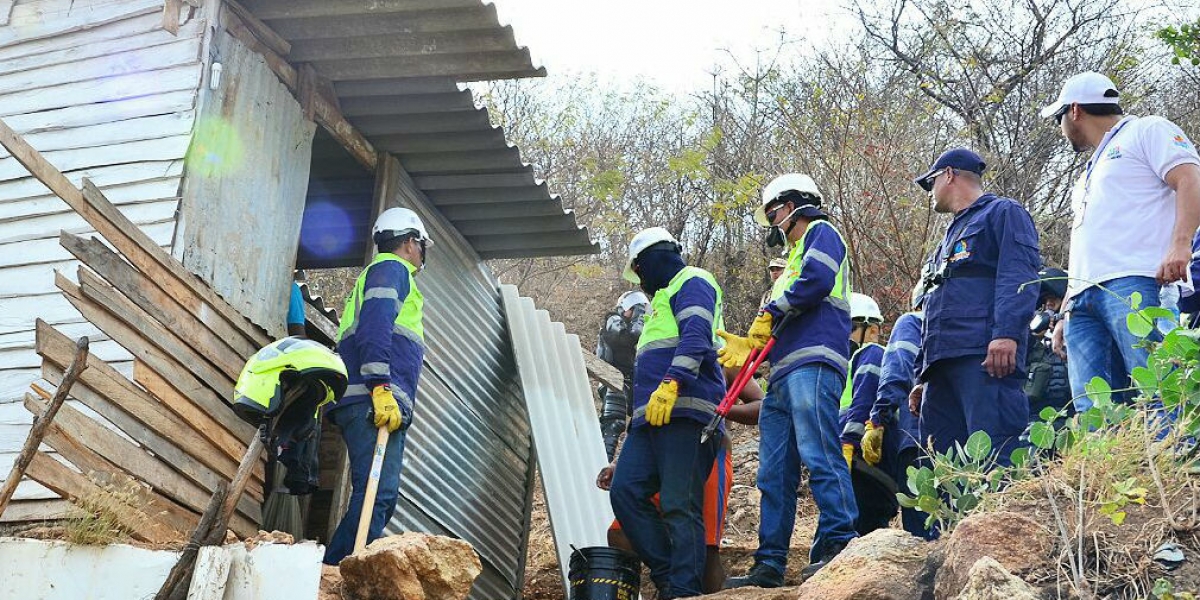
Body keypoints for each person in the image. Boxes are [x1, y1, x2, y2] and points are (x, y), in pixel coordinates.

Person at [721, 173, 858, 587]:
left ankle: (839, 542)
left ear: (796, 202)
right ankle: (769, 564)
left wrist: (771, 311)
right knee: (774, 472)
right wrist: (751, 342)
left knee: (819, 451)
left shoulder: (822, 233)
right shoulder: (794, 255)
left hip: (814, 362)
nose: (772, 221)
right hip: (782, 374)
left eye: (774, 211)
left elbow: (815, 282)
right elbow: (786, 306)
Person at [1042, 72, 1200, 410]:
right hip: (1082, 298)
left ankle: (1176, 462)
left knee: (1159, 390)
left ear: (1075, 111)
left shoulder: (1147, 129)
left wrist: (1181, 244)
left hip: (1137, 283)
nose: (1060, 127)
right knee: (1093, 408)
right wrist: (1065, 310)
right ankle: (1112, 466)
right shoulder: (1090, 170)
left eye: (1059, 118)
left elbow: (1189, 177)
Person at [607, 227, 726, 600]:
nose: (640, 280)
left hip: (686, 412)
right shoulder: (659, 303)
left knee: (679, 503)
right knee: (625, 491)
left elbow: (696, 335)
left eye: (640, 269)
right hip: (649, 420)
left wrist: (674, 381)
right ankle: (669, 577)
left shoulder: (692, 281)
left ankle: (683, 589)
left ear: (656, 258)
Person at [907, 148, 1040, 471]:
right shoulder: (946, 240)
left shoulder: (1002, 213)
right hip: (940, 367)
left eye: (932, 182)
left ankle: (998, 523)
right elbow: (934, 305)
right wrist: (922, 375)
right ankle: (954, 525)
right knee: (943, 466)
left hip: (983, 358)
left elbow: (1018, 275)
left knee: (994, 456)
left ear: (949, 174)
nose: (931, 192)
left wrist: (1006, 334)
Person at [323, 207, 433, 565]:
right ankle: (335, 572)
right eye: (420, 244)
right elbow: (375, 327)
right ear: (409, 242)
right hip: (373, 399)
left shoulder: (386, 273)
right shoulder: (393, 269)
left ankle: (338, 569)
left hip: (375, 399)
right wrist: (380, 386)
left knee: (379, 495)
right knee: (377, 494)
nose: (421, 252)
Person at [599, 366, 763, 595]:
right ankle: (669, 585)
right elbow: (643, 414)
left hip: (708, 453)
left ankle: (687, 591)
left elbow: (760, 404)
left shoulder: (724, 358)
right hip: (657, 454)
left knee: (706, 548)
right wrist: (620, 463)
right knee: (620, 533)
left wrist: (720, 408)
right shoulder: (660, 353)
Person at [863, 274, 931, 538]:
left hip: (916, 434)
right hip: (956, 441)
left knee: (920, 523)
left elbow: (897, 371)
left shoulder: (911, 322)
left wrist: (877, 418)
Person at [837, 292, 894, 535]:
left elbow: (863, 401)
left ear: (872, 330)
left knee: (851, 531)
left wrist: (848, 442)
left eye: (848, 327)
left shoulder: (871, 353)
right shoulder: (846, 366)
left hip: (864, 463)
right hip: (863, 465)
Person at [597, 291, 650, 461]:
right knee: (613, 424)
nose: (637, 313)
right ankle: (599, 466)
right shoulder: (613, 319)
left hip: (630, 380)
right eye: (635, 309)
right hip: (612, 378)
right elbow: (625, 338)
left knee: (641, 422)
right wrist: (640, 317)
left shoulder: (643, 329)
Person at [1025, 267, 1072, 423]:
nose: (1049, 304)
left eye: (1054, 299)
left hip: (1071, 412)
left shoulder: (1080, 330)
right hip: (1037, 414)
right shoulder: (1033, 336)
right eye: (1045, 301)